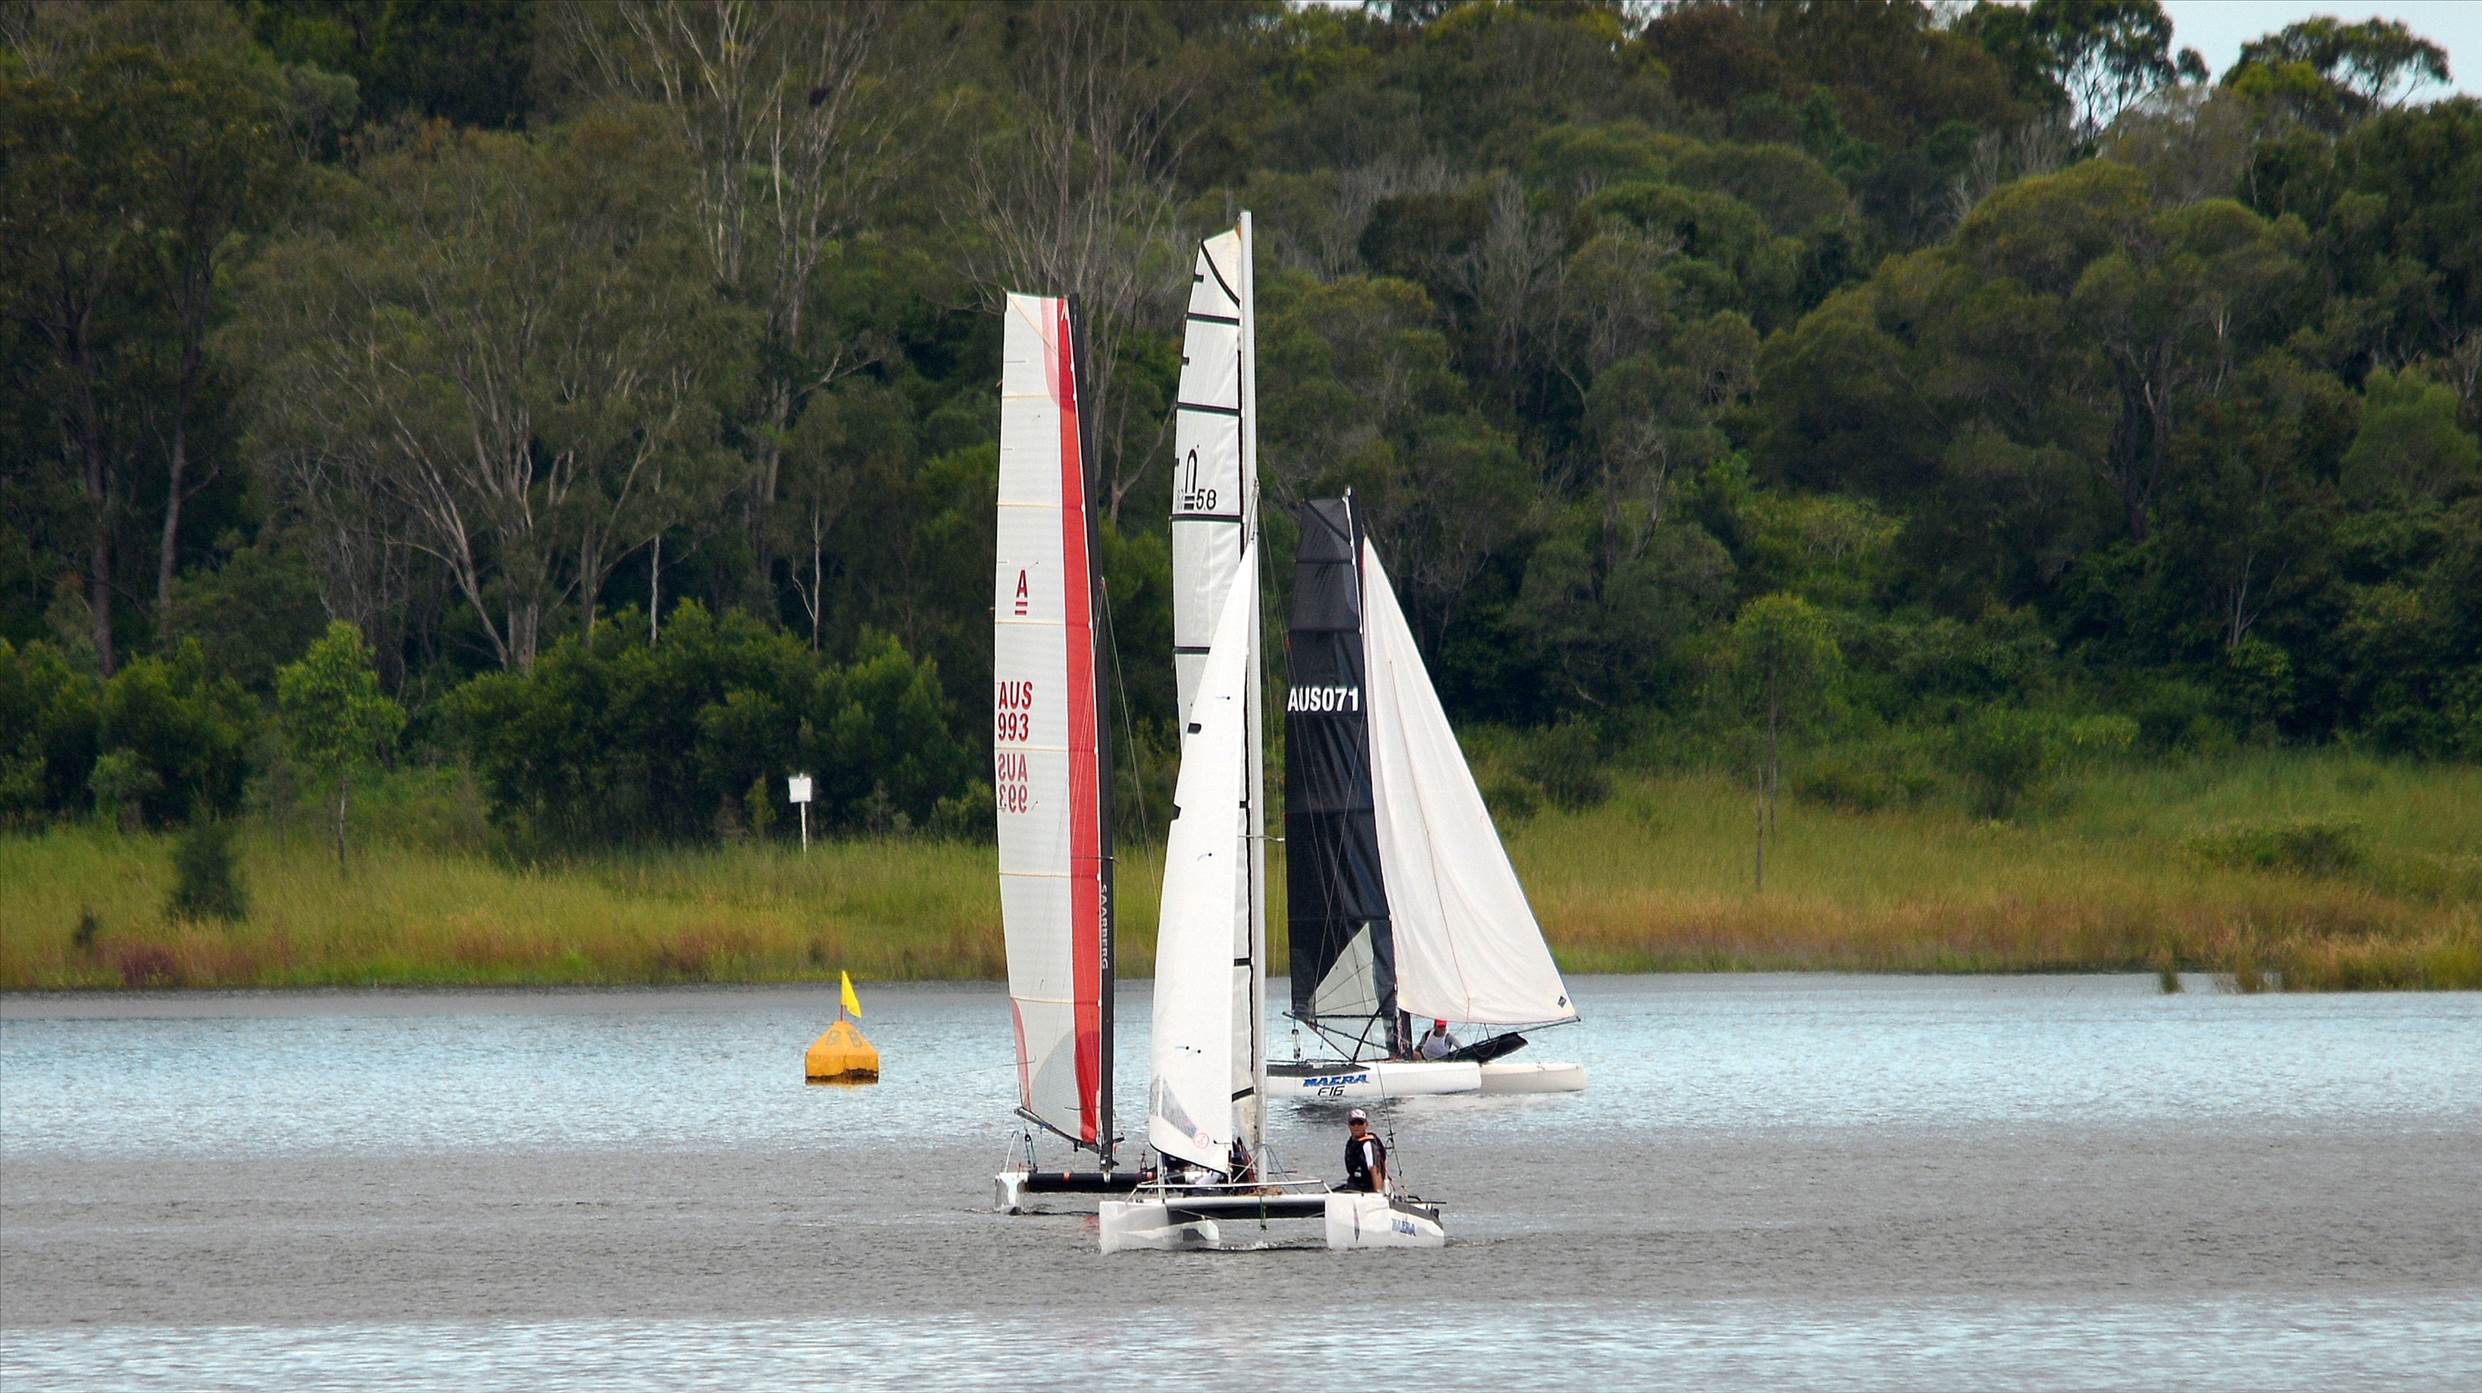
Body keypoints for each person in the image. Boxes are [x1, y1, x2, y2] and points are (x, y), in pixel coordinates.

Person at [1340, 1108, 1388, 1194]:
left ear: (1366, 1125)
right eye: (1353, 1123)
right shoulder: (1352, 1142)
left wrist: (1378, 1195)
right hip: (1354, 1186)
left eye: (1360, 1123)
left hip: (1366, 1191)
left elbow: (1375, 1171)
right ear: (1349, 1125)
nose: (1356, 1126)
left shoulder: (1368, 1145)